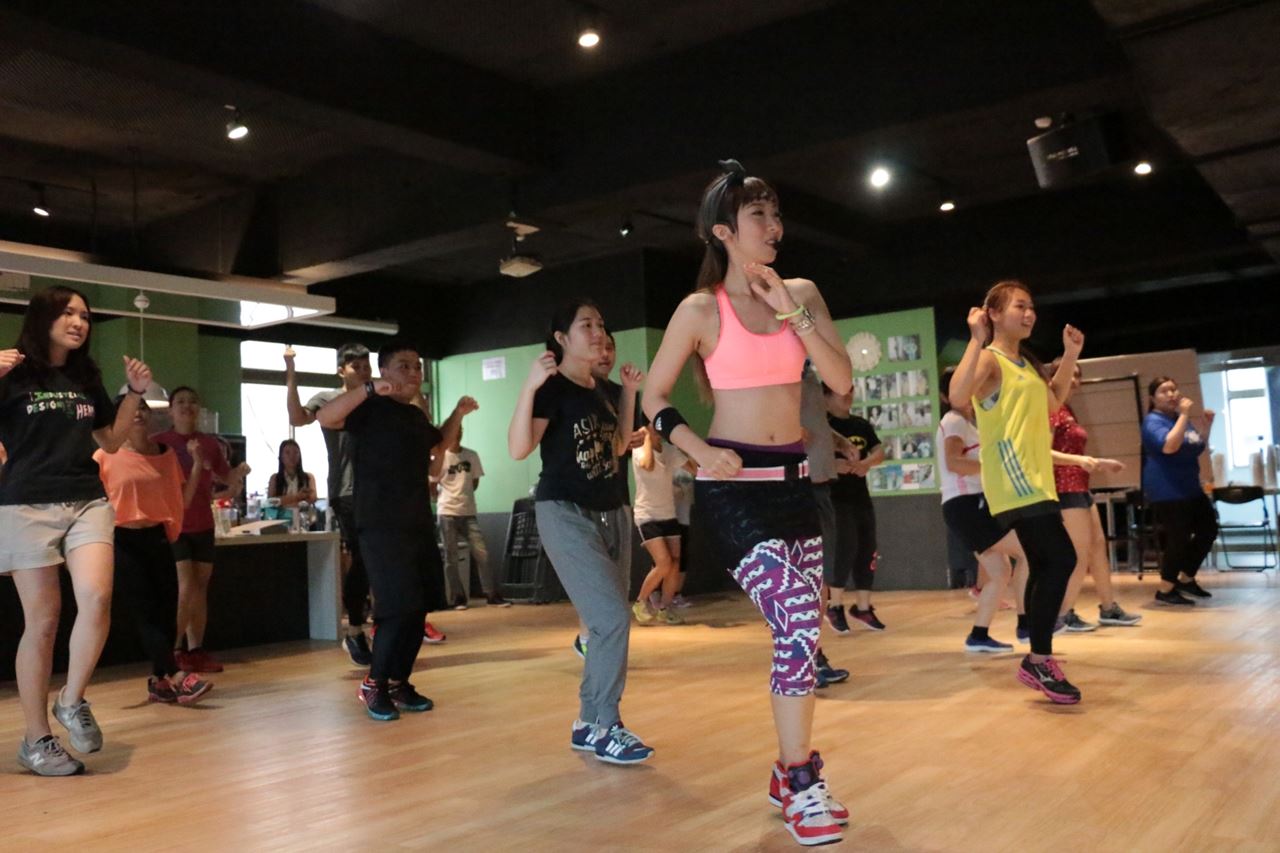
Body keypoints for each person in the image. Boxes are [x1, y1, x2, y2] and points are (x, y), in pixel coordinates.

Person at [642, 160, 854, 845]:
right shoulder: (700, 310)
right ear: (724, 231)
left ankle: (788, 771)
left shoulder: (802, 293)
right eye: (759, 215)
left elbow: (841, 381)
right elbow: (654, 396)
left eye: (776, 213)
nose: (774, 226)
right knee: (797, 616)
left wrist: (791, 310)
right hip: (731, 492)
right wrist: (697, 450)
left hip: (794, 486)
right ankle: (801, 780)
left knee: (802, 633)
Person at [0, 285, 152, 776]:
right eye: (68, 313)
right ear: (42, 317)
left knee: (97, 597)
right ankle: (35, 739)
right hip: (26, 503)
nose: (79, 322)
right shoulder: (11, 370)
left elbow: (111, 439)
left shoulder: (86, 376)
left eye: (84, 315)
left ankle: (70, 699)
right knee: (43, 621)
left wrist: (134, 394)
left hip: (87, 498)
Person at [509, 299, 653, 765]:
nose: (598, 332)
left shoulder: (605, 390)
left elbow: (618, 446)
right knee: (612, 618)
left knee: (605, 622)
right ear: (561, 339)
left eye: (601, 324)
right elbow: (518, 448)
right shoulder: (551, 388)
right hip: (564, 511)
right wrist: (529, 386)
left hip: (612, 510)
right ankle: (608, 724)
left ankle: (588, 723)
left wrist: (630, 394)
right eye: (586, 325)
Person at [317, 339, 476, 720]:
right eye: (404, 365)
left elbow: (439, 444)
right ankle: (373, 683)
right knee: (396, 606)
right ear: (384, 371)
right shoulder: (368, 407)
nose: (414, 373)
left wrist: (458, 413)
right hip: (379, 524)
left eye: (418, 366)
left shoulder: (414, 416)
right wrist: (369, 389)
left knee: (418, 607)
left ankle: (398, 681)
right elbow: (325, 417)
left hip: (416, 522)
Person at [950, 280, 1084, 705]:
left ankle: (1038, 658)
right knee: (1061, 559)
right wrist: (976, 339)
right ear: (993, 313)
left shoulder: (1024, 363)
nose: (1029, 314)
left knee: (1047, 563)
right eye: (1019, 306)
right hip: (1014, 480)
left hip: (1036, 479)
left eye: (1031, 307)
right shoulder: (991, 359)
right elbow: (957, 395)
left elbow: (1053, 403)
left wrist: (1070, 355)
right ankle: (1038, 658)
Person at [95, 396, 213, 705]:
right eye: (129, 410)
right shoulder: (105, 455)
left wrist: (197, 465)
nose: (137, 413)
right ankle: (177, 675)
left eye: (142, 408)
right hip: (122, 539)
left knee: (167, 611)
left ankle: (159, 681)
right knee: (145, 611)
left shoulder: (165, 454)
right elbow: (90, 505)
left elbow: (182, 500)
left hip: (158, 536)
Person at [287, 343, 377, 664]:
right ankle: (354, 629)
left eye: (367, 366)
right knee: (362, 557)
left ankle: (379, 624)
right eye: (356, 367)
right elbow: (297, 418)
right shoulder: (328, 399)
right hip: (346, 491)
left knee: (379, 557)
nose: (363, 372)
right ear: (341, 371)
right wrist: (291, 372)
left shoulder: (378, 398)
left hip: (378, 490)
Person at [153, 385, 249, 675]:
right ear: (171, 411)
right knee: (184, 587)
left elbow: (225, 477)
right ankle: (174, 651)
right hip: (174, 525)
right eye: (180, 402)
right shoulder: (160, 443)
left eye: (192, 401)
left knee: (199, 588)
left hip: (203, 524)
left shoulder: (209, 443)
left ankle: (195, 650)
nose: (187, 406)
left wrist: (239, 473)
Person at [1043, 360, 1142, 629]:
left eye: (1078, 375)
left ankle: (1109, 608)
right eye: (1068, 374)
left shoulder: (1067, 409)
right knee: (1078, 554)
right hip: (1064, 490)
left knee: (1098, 547)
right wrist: (1080, 462)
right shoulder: (1051, 409)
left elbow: (1072, 453)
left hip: (1080, 487)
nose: (1074, 380)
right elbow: (1042, 452)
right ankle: (1061, 615)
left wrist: (1099, 462)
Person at [936, 371, 1025, 653]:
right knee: (1028, 551)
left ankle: (979, 635)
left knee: (1000, 572)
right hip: (966, 505)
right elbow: (953, 462)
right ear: (946, 396)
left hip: (968, 505)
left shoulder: (968, 422)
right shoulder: (954, 421)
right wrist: (994, 469)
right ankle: (1027, 624)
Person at [1142, 376, 1217, 606]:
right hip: (1167, 489)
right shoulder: (1153, 421)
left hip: (1190, 486)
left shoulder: (1178, 419)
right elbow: (1169, 446)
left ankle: (1186, 578)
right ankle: (1165, 589)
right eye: (1164, 391)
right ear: (1153, 398)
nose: (1171, 394)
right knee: (1179, 537)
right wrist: (1184, 415)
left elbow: (1196, 446)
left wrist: (1206, 427)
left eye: (1174, 389)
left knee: (1208, 529)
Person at [824, 383, 887, 633]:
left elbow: (879, 451)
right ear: (826, 396)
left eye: (850, 390)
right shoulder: (823, 425)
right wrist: (834, 465)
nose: (848, 396)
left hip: (861, 497)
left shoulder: (861, 425)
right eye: (842, 391)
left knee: (867, 548)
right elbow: (812, 457)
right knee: (844, 547)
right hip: (835, 498)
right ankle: (835, 605)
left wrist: (867, 463)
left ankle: (863, 607)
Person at [436, 426, 509, 608]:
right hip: (447, 512)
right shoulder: (441, 457)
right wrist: (444, 498)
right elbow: (431, 484)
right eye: (454, 431)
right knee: (451, 557)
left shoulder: (471, 455)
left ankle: (491, 594)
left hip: (468, 512)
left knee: (482, 554)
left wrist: (463, 495)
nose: (457, 434)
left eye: (459, 431)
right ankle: (458, 597)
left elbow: (474, 482)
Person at [630, 425, 687, 625]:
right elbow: (647, 465)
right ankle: (640, 602)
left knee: (675, 562)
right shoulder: (639, 448)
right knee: (663, 562)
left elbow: (693, 467)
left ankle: (665, 608)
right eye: (654, 428)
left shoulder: (670, 451)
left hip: (668, 514)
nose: (659, 432)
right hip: (647, 515)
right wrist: (646, 438)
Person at [267, 438, 317, 508]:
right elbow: (271, 502)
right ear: (281, 457)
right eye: (287, 453)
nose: (292, 456)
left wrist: (284, 501)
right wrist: (297, 496)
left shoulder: (308, 477)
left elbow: (312, 498)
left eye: (296, 452)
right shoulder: (274, 478)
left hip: (303, 514)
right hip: (281, 515)